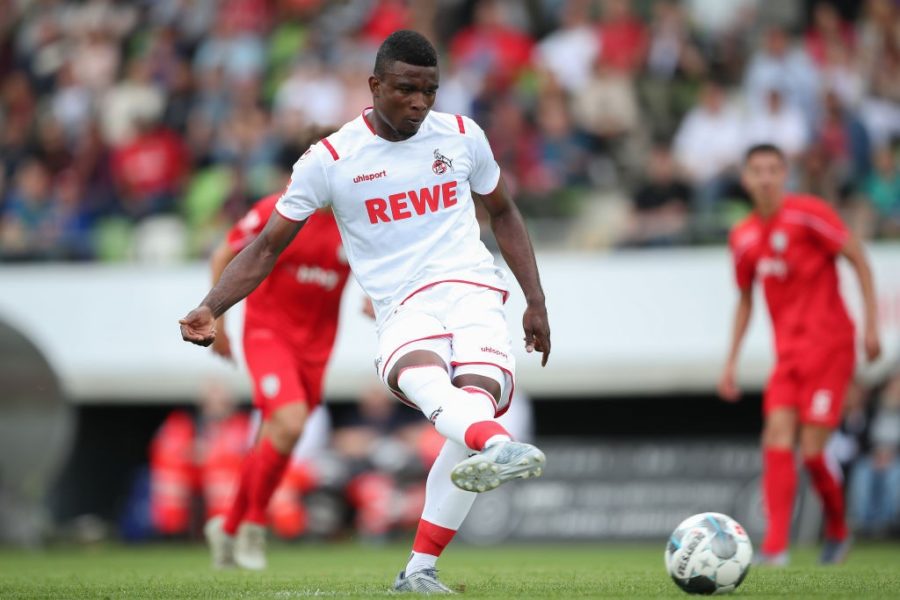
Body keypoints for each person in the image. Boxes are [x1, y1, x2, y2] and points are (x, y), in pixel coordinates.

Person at [180, 30, 550, 593]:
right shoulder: (330, 160)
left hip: (474, 287)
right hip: (402, 303)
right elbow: (262, 249)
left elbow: (504, 212)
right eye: (406, 89)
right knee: (426, 382)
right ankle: (497, 446)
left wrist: (536, 301)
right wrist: (212, 306)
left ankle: (420, 570)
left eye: (429, 91)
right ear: (374, 85)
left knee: (477, 404)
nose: (420, 104)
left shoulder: (461, 135)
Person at [718, 143, 882, 566]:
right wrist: (731, 362)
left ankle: (838, 528)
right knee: (775, 436)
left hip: (830, 347)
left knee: (812, 450)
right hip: (787, 355)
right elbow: (745, 299)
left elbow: (859, 259)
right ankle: (775, 549)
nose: (767, 177)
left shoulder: (809, 213)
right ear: (746, 179)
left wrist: (871, 326)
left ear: (785, 174)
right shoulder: (743, 236)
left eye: (774, 169)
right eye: (758, 170)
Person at [200, 128, 352, 570]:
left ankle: (227, 528)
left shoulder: (353, 221)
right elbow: (222, 256)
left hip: (317, 347)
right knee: (290, 420)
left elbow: (382, 263)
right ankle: (251, 527)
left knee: (279, 435)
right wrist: (220, 320)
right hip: (268, 335)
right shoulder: (279, 209)